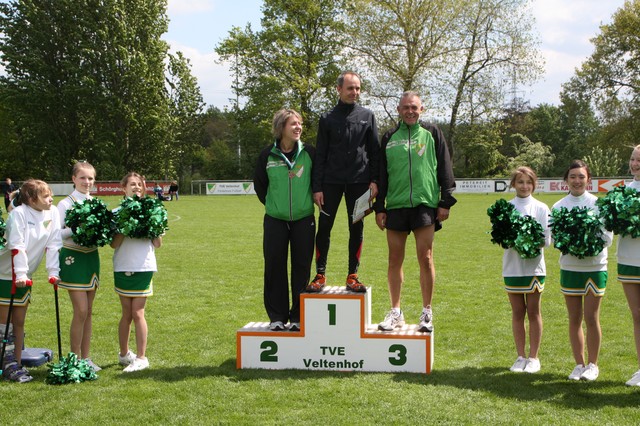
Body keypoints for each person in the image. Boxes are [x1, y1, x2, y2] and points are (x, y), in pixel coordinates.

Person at [373, 91, 456, 333]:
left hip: (424, 204)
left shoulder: (432, 133)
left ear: (422, 109)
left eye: (414, 107)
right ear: (398, 110)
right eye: (406, 107)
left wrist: (445, 201)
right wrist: (380, 206)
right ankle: (395, 312)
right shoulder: (389, 137)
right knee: (394, 260)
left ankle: (427, 311)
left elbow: (445, 167)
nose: (410, 111)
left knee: (426, 258)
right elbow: (382, 174)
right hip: (396, 205)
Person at [306, 71, 379, 293]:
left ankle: (353, 275)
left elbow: (375, 152)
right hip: (331, 183)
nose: (354, 92)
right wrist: (317, 187)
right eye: (350, 88)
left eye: (357, 88)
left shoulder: (368, 116)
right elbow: (320, 154)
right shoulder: (327, 118)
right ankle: (320, 274)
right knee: (324, 228)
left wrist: (375, 180)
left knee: (356, 229)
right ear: (339, 89)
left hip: (360, 183)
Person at [254, 109, 316, 331]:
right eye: (293, 124)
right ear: (281, 127)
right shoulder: (267, 155)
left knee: (302, 268)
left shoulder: (310, 152)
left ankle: (298, 317)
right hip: (275, 220)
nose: (298, 127)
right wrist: (276, 205)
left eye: (300, 123)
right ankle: (277, 317)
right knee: (274, 267)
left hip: (304, 218)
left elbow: (317, 182)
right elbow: (261, 187)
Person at [552, 160, 613, 381]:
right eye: (572, 177)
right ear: (566, 180)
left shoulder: (599, 204)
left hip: (595, 267)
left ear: (589, 180)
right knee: (574, 318)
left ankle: (593, 365)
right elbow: (556, 239)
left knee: (591, 317)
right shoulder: (558, 206)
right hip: (570, 267)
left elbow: (607, 238)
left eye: (581, 177)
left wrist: (586, 242)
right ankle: (579, 364)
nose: (577, 181)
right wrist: (572, 243)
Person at [0, 179, 62, 382]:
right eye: (45, 196)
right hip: (5, 274)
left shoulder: (53, 213)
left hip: (24, 276)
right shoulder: (18, 214)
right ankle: (8, 365)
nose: (50, 199)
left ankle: (16, 364)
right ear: (31, 199)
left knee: (19, 321)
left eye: (50, 194)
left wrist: (53, 271)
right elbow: (16, 245)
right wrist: (20, 273)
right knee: (4, 324)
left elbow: (54, 244)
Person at [501, 167, 551, 374]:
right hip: (512, 267)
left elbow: (546, 241)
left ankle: (534, 357)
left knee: (533, 311)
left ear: (534, 184)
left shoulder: (541, 207)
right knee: (517, 312)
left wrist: (527, 240)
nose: (524, 186)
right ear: (513, 184)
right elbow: (502, 240)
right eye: (520, 182)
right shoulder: (505, 207)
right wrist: (512, 239)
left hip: (534, 268)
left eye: (528, 182)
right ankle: (520, 356)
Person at [111, 172, 162, 372]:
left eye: (139, 184)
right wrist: (124, 225)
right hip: (122, 266)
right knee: (126, 313)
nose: (137, 187)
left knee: (138, 312)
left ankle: (141, 357)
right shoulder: (116, 212)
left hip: (143, 266)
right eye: (132, 184)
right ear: (123, 188)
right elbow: (114, 244)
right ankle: (124, 354)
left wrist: (152, 224)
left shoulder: (152, 210)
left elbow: (157, 243)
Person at [56, 161, 101, 371]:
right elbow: (55, 234)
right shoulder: (65, 204)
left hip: (91, 257)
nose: (87, 182)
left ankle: (86, 358)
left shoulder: (96, 203)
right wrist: (77, 228)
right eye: (82, 177)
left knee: (89, 311)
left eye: (90, 178)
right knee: (80, 310)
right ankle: (74, 359)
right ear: (73, 179)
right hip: (72, 257)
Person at [616, 145, 640, 386]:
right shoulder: (623, 190)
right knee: (637, 315)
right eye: (633, 159)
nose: (634, 164)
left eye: (639, 160)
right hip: (627, 259)